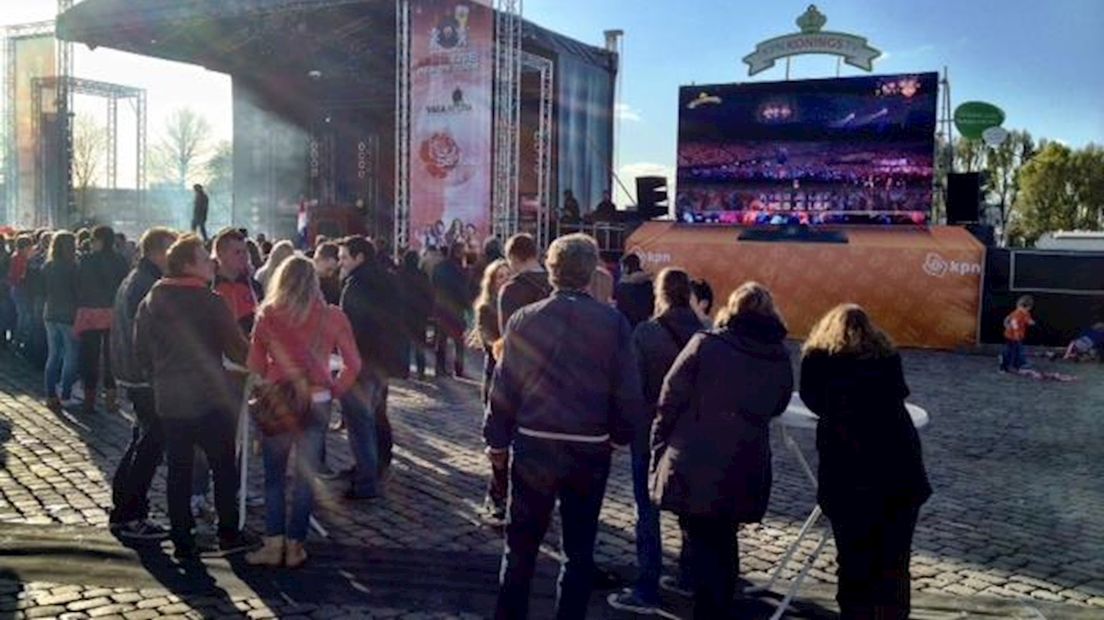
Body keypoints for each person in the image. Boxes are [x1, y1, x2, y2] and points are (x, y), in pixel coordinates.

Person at [485, 233, 644, 619]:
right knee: (578, 550)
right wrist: (622, 435)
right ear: (590, 273)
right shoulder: (612, 322)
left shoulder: (525, 318)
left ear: (552, 272)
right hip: (588, 446)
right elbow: (627, 388)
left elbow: (504, 385)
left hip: (535, 444)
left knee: (521, 547)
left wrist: (497, 439)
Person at [650, 282, 793, 619]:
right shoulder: (777, 356)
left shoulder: (706, 345)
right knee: (725, 542)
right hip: (745, 460)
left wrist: (660, 449)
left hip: (695, 459)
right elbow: (778, 403)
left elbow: (669, 399)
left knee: (701, 543)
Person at [800, 304, 931, 620]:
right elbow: (900, 390)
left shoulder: (818, 358)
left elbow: (811, 398)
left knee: (854, 563)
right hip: (900, 475)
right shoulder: (885, 356)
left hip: (849, 478)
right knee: (895, 565)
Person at [134, 234, 255, 560]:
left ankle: (182, 537)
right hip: (209, 398)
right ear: (188, 265)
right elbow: (237, 348)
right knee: (223, 467)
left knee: (179, 470)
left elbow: (141, 349)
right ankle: (229, 533)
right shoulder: (210, 302)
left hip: (170, 399)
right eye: (204, 259)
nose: (210, 264)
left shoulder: (152, 299)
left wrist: (158, 375)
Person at [245, 257, 362, 568]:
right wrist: (334, 389)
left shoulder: (267, 314)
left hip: (277, 400)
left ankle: (273, 545)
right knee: (306, 477)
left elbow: (254, 366)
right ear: (314, 282)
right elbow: (354, 364)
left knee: (273, 477)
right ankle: (296, 546)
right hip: (317, 401)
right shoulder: (332, 316)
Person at [608, 268, 703, 614]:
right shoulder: (705, 332)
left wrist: (621, 429)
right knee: (689, 510)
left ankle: (647, 586)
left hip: (650, 433)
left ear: (659, 295)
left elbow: (632, 390)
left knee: (646, 511)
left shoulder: (646, 334)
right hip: (691, 436)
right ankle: (688, 576)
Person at [108, 227, 177, 540]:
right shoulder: (148, 284)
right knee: (150, 445)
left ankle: (124, 505)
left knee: (141, 440)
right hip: (145, 377)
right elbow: (150, 336)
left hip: (134, 372)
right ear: (159, 251)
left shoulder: (135, 278)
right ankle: (132, 513)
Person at [337, 236, 392, 499]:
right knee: (371, 418)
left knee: (360, 423)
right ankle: (368, 468)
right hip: (381, 361)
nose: (341, 263)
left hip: (360, 361)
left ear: (359, 257)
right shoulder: (387, 279)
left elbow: (350, 328)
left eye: (344, 257)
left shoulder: (356, 284)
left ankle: (366, 482)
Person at [470, 257, 511, 526]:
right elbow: (490, 343)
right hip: (496, 379)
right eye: (500, 276)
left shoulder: (521, 304)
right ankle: (496, 496)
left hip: (519, 380)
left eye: (508, 275)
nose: (505, 280)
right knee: (498, 443)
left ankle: (512, 496)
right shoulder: (486, 308)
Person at [74, 226, 130, 414]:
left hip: (90, 312)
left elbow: (79, 283)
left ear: (99, 240)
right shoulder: (120, 260)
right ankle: (110, 399)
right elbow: (124, 285)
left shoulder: (87, 260)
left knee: (89, 356)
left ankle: (89, 400)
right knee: (110, 356)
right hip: (112, 311)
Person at [41, 231, 81, 411]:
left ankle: (50, 394)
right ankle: (65, 394)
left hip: (50, 313)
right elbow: (78, 291)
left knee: (54, 354)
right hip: (68, 314)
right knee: (71, 355)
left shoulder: (48, 265)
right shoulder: (73, 267)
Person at [497, 233, 551, 334]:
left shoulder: (510, 289)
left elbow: (507, 333)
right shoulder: (556, 284)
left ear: (513, 258)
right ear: (535, 254)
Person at [431, 242, 470, 378]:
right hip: (456, 308)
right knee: (458, 341)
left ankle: (439, 368)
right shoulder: (461, 270)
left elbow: (433, 285)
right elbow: (463, 290)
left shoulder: (439, 267)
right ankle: (458, 369)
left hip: (441, 307)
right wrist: (467, 306)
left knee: (441, 340)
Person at [213, 228, 262, 335]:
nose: (243, 257)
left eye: (245, 252)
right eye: (237, 252)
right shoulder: (210, 287)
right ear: (221, 254)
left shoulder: (254, 287)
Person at [398, 249, 433, 380]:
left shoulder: (400, 274)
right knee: (420, 344)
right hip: (419, 315)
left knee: (404, 344)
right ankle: (421, 371)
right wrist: (429, 311)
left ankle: (404, 371)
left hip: (404, 313)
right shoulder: (422, 275)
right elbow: (429, 295)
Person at [613, 253, 654, 329]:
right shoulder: (649, 284)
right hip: (644, 325)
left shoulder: (623, 286)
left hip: (627, 325)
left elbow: (619, 307)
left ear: (626, 267)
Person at [1000, 295, 1035, 372]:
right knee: (1011, 351)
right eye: (1022, 308)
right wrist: (1016, 333)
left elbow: (1027, 319)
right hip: (1011, 336)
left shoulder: (1026, 313)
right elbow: (1013, 323)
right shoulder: (1016, 314)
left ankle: (1017, 364)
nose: (1025, 310)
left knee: (1017, 350)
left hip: (1018, 336)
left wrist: (1030, 322)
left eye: (1027, 309)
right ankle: (1007, 365)